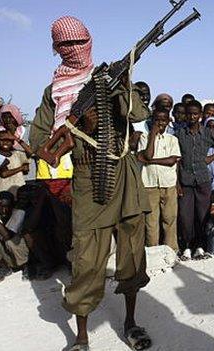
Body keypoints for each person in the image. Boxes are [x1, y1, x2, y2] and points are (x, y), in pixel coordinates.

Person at [29, 16, 154, 350]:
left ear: (89, 41)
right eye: (66, 45)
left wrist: (123, 85)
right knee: (87, 258)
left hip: (124, 170)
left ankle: (130, 323)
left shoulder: (106, 77)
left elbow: (138, 115)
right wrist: (55, 146)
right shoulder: (54, 90)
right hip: (87, 175)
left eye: (78, 42)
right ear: (57, 49)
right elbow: (40, 136)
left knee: (131, 253)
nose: (74, 50)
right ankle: (82, 337)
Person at [175, 100, 214, 261]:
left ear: (200, 115)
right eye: (189, 113)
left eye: (195, 114)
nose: (192, 117)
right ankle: (186, 246)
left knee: (201, 215)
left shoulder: (206, 133)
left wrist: (210, 158)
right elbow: (178, 160)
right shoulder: (180, 134)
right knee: (185, 216)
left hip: (203, 180)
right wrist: (177, 183)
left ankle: (199, 246)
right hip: (185, 180)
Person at [137, 109, 182, 252]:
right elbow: (146, 156)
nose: (160, 123)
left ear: (168, 121)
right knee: (151, 221)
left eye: (163, 120)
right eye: (157, 120)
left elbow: (172, 160)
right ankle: (153, 251)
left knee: (169, 219)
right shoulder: (145, 138)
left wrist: (151, 161)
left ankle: (171, 251)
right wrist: (152, 136)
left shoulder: (172, 139)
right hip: (150, 184)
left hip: (168, 183)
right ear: (152, 121)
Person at [0, 130, 30, 196]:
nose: (6, 142)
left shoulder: (17, 154)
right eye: (3, 140)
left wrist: (16, 138)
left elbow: (30, 152)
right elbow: (4, 174)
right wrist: (21, 168)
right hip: (3, 191)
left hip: (19, 190)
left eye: (9, 140)